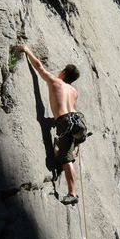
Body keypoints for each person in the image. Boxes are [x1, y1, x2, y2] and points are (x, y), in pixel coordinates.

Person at [18, 45, 87, 205]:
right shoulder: (74, 91)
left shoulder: (55, 81)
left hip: (65, 123)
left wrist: (27, 50)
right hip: (78, 122)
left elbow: (39, 68)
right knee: (67, 149)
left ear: (63, 73)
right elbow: (70, 108)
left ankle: (72, 193)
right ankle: (72, 148)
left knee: (65, 159)